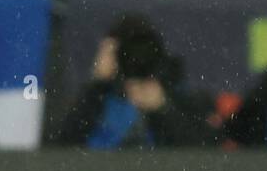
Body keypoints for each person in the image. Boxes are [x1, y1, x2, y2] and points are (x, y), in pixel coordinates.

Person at [50, 15, 215, 148]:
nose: (134, 60)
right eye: (125, 54)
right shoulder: (96, 98)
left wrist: (163, 110)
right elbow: (61, 151)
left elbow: (204, 156)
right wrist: (97, 84)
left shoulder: (180, 96)